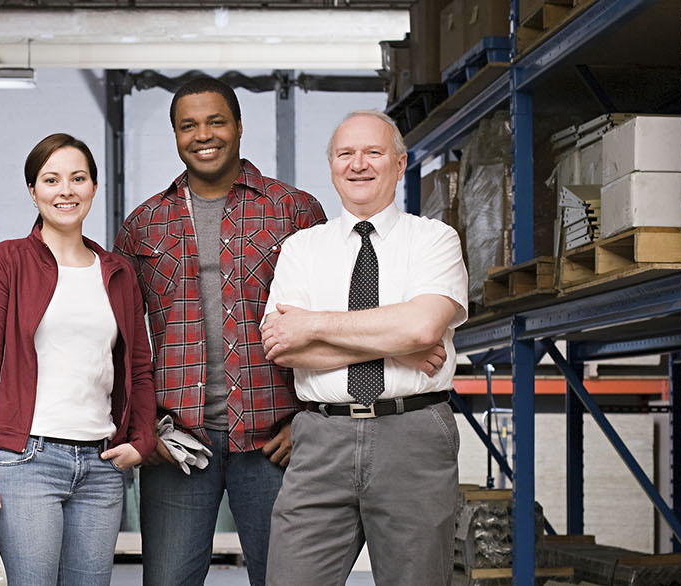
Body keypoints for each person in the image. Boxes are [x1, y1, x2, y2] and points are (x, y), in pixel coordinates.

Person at [113, 76, 326, 586]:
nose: (202, 135)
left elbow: (331, 323)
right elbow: (119, 340)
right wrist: (143, 429)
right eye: (188, 126)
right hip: (178, 443)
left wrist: (311, 422)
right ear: (175, 135)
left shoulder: (294, 211)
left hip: (274, 440)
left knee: (287, 580)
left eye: (215, 121)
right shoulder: (145, 224)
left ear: (238, 126)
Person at [260, 110, 466, 585]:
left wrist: (316, 324)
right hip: (319, 440)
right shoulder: (301, 249)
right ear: (331, 164)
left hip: (413, 434)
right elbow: (285, 348)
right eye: (345, 153)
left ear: (399, 163)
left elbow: (420, 329)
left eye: (373, 152)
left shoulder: (434, 240)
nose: (358, 164)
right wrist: (388, 344)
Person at [0, 133, 157, 586]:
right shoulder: (4, 262)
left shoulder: (119, 272)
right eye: (51, 179)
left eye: (78, 178)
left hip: (103, 465)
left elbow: (139, 369)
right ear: (33, 191)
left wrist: (143, 439)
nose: (65, 190)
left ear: (93, 187)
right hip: (26, 461)